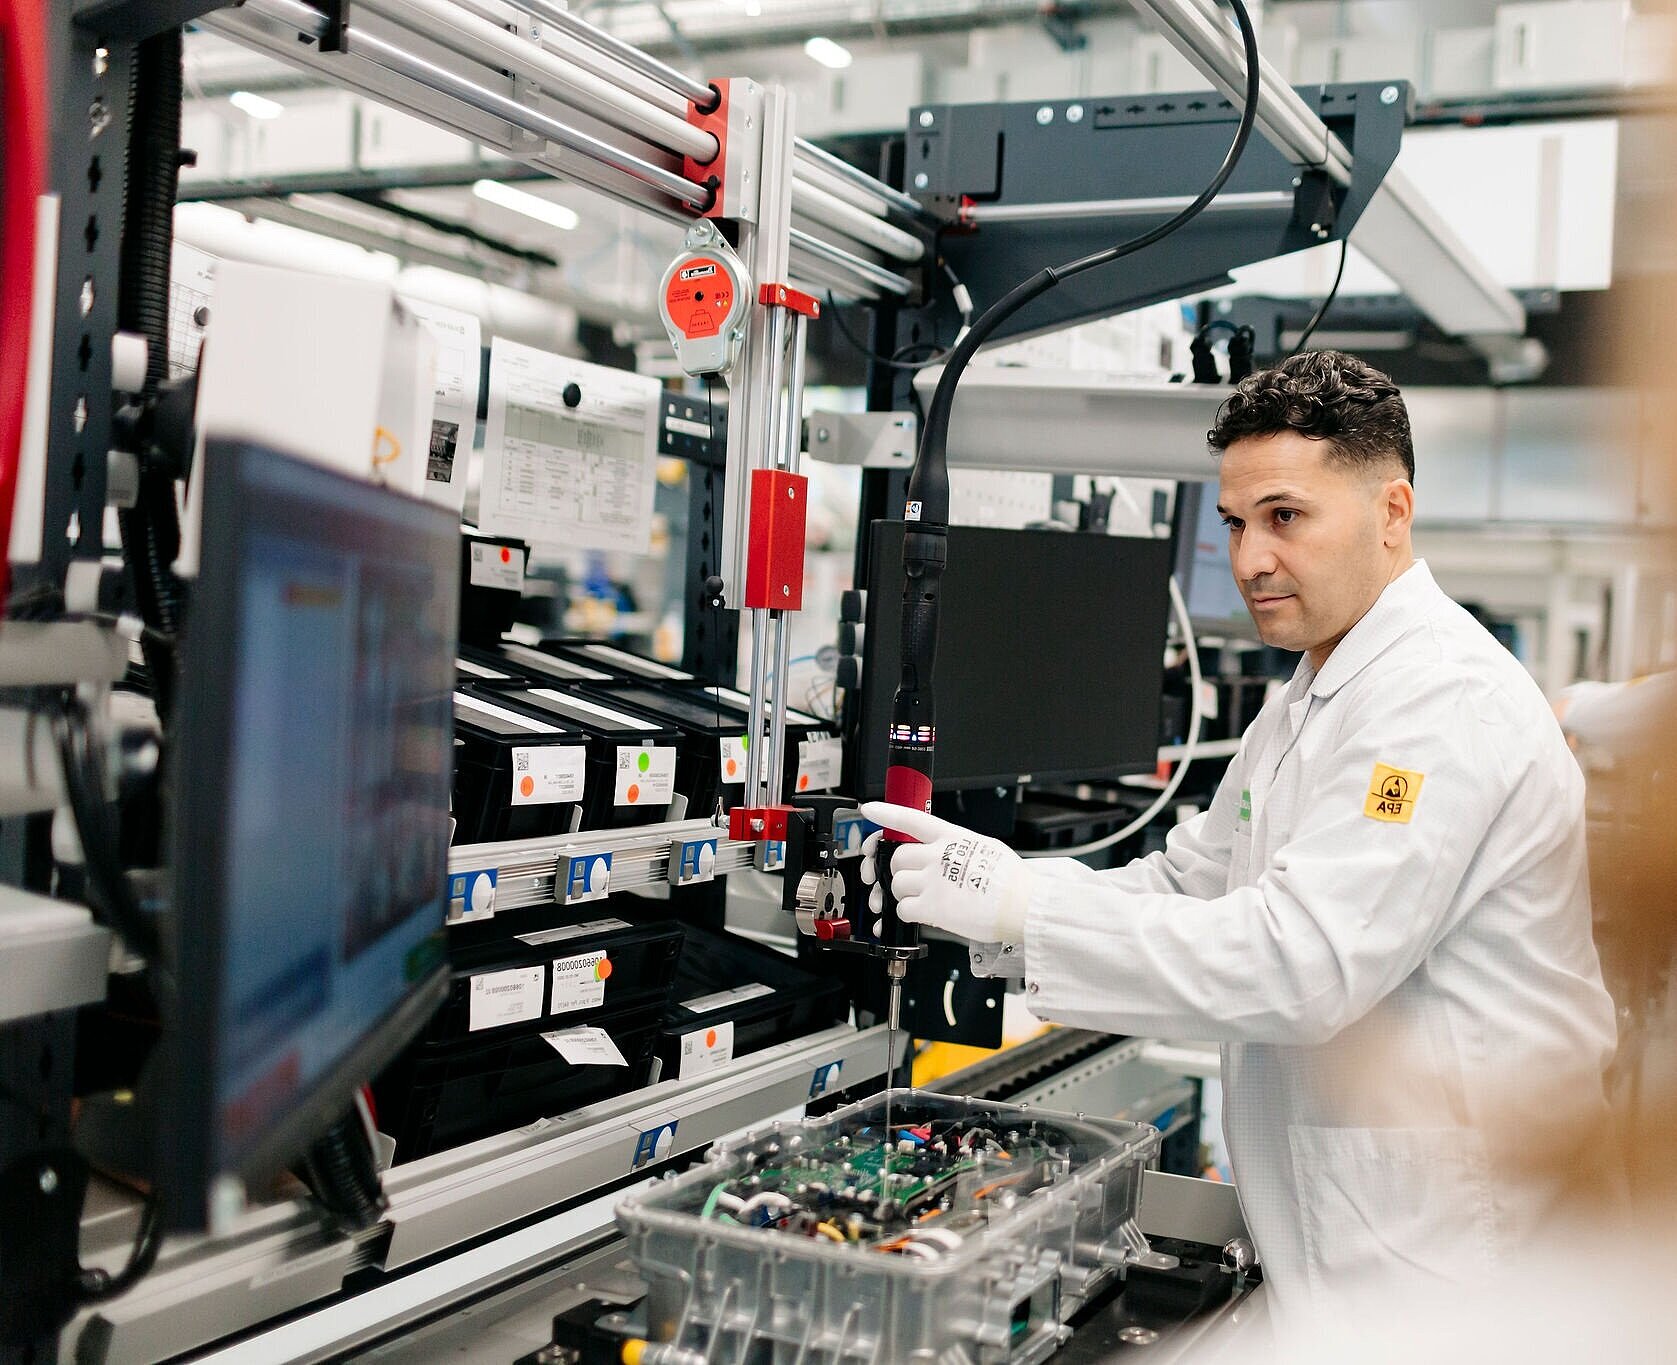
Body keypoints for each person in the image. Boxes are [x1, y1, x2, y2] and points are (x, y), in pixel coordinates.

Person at [860, 350, 1619, 1330]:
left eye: (1285, 517)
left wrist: (1025, 909)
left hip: (1464, 1275)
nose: (1250, 556)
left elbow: (1301, 964)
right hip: (1354, 1254)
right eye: (1234, 523)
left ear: (1393, 514)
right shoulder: (1308, 698)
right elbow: (1196, 883)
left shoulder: (1443, 703)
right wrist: (998, 892)